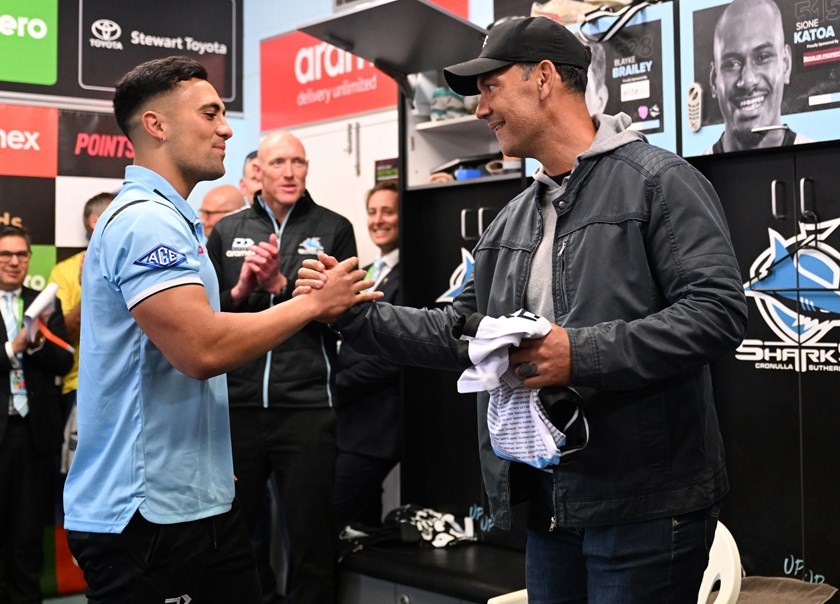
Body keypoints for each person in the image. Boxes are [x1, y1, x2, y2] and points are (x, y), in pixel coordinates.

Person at [297, 16, 748, 603]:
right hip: (549, 503)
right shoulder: (512, 218)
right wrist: (352, 314)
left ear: (542, 79)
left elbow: (716, 314)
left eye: (490, 87)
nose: (481, 108)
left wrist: (578, 353)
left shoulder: (660, 181)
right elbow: (457, 332)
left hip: (645, 505)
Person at [62, 55, 379, 604]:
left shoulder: (172, 219)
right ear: (156, 126)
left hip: (197, 502)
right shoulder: (144, 221)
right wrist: (309, 304)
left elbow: (193, 338)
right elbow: (200, 347)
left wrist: (208, 468)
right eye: (210, 114)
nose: (228, 128)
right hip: (145, 517)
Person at [207, 129, 357, 604]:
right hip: (238, 404)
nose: (289, 172)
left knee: (310, 537)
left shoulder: (334, 226)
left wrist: (279, 283)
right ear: (258, 171)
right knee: (239, 534)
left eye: (298, 162)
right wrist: (242, 290)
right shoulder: (226, 230)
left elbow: (345, 313)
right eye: (278, 163)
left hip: (308, 406)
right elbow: (207, 318)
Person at [0, 225, 73, 604]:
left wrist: (38, 341)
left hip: (34, 435)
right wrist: (13, 348)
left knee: (28, 537)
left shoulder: (44, 302)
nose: (15, 262)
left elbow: (64, 359)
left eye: (21, 255)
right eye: (5, 255)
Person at [334, 180, 401, 531]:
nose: (378, 220)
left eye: (388, 211)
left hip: (376, 428)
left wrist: (333, 385)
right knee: (360, 526)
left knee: (329, 519)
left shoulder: (410, 274)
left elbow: (393, 358)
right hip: (352, 421)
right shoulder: (371, 271)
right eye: (373, 212)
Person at [47, 191, 114, 474]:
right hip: (81, 386)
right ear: (95, 221)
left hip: (131, 383)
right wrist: (90, 285)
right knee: (80, 472)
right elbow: (63, 336)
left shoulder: (136, 260)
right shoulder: (65, 271)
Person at [705, 0, 811, 153]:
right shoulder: (691, 175)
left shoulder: (827, 166)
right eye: (732, 64)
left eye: (763, 57)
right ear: (714, 80)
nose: (748, 80)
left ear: (786, 65)